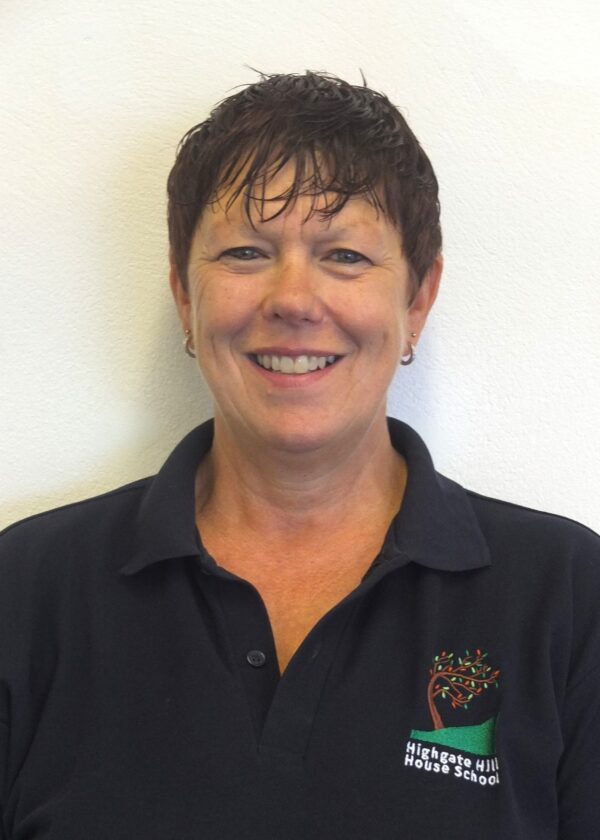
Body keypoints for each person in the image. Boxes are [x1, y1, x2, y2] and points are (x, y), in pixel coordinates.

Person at [0, 70, 598, 840]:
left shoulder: (565, 596)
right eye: (245, 252)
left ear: (417, 300)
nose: (292, 299)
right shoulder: (27, 591)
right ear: (185, 296)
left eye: (344, 255)